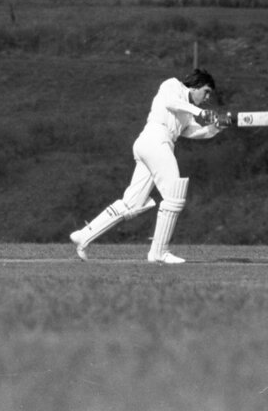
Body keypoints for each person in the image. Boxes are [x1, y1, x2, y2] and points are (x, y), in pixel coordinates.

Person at [70, 68, 228, 264]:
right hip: (155, 139)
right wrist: (200, 112)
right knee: (174, 195)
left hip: (155, 144)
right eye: (206, 91)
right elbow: (172, 102)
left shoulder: (187, 112)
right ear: (195, 86)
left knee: (132, 203)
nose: (206, 97)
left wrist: (216, 128)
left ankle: (84, 235)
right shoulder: (172, 85)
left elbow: (192, 132)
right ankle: (159, 253)